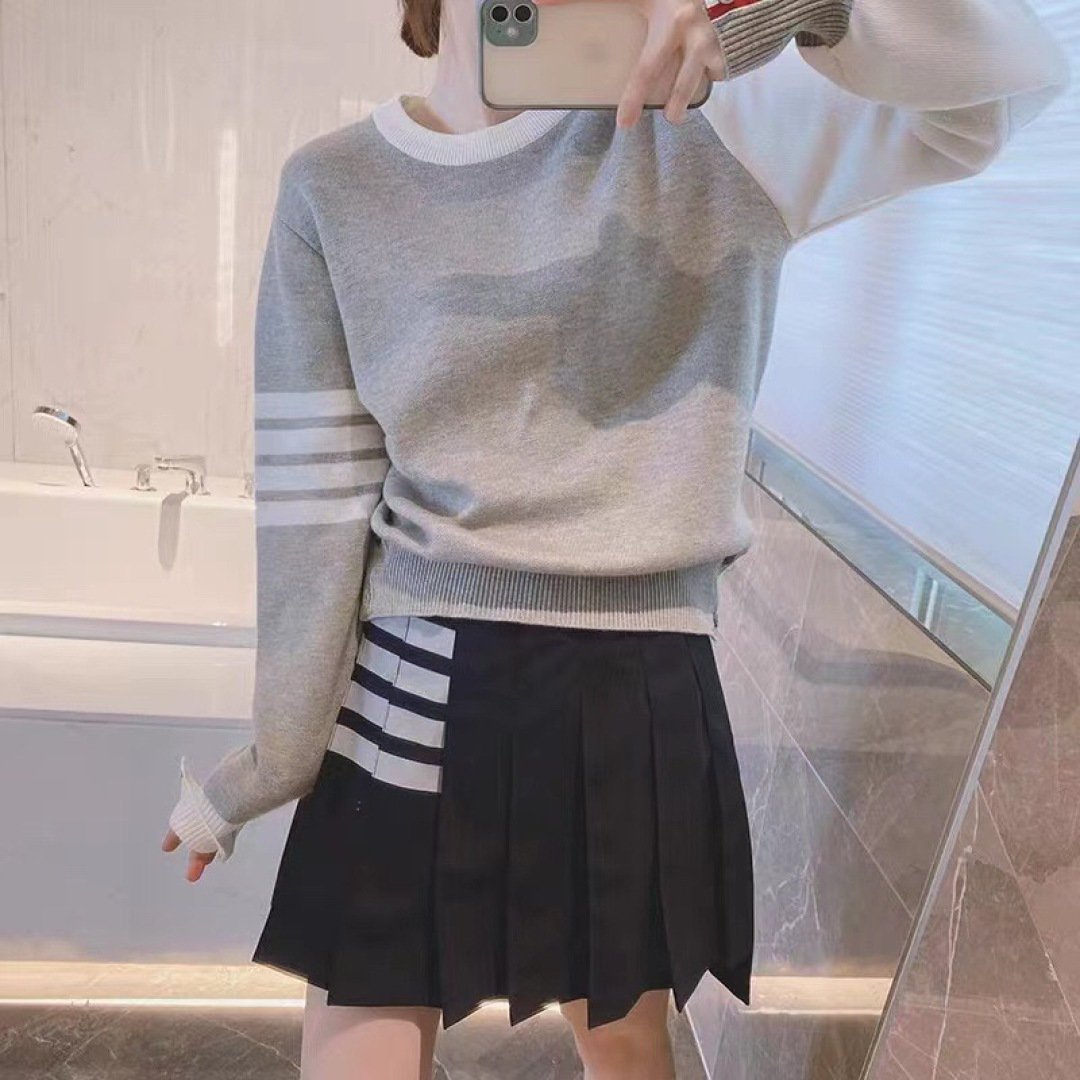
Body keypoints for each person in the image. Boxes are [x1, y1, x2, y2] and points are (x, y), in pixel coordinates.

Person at [161, 0, 1069, 1077]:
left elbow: (1013, 76)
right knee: (369, 1041)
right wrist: (268, 764)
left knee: (628, 1046)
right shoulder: (334, 186)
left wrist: (795, 12)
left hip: (635, 694)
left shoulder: (717, 127)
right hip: (417, 686)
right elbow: (314, 512)